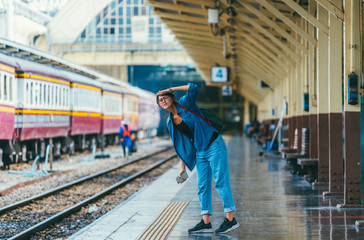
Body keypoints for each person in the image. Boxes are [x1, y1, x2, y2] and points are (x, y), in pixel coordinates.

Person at [156, 84, 239, 234]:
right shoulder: (170, 122)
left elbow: (193, 87)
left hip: (213, 144)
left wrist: (171, 89)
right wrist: (182, 168)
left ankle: (231, 219)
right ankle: (206, 222)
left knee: (220, 182)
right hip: (200, 152)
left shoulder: (186, 103)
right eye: (160, 100)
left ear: (172, 98)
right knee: (202, 186)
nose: (163, 100)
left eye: (165, 97)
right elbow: (182, 145)